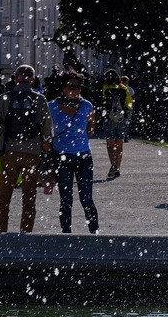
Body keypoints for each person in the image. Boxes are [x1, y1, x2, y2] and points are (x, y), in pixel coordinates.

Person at [0, 64, 53, 232]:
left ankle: (1, 234)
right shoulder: (39, 99)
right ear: (32, 79)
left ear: (16, 78)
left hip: (9, 151)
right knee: (29, 197)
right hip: (32, 153)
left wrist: (6, 127)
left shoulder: (5, 97)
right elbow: (47, 128)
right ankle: (25, 235)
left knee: (3, 198)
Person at [47, 74, 99, 233]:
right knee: (66, 199)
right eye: (71, 86)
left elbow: (91, 127)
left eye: (78, 87)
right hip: (62, 157)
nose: (75, 90)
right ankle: (66, 232)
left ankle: (94, 231)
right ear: (63, 88)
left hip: (83, 157)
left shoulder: (87, 106)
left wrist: (79, 140)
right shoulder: (52, 106)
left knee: (86, 198)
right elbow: (45, 128)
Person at [102, 71, 130, 178]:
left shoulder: (106, 87)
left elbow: (103, 100)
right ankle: (118, 168)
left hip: (109, 118)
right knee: (119, 145)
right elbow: (129, 104)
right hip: (122, 119)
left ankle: (113, 165)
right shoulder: (124, 89)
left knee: (110, 145)